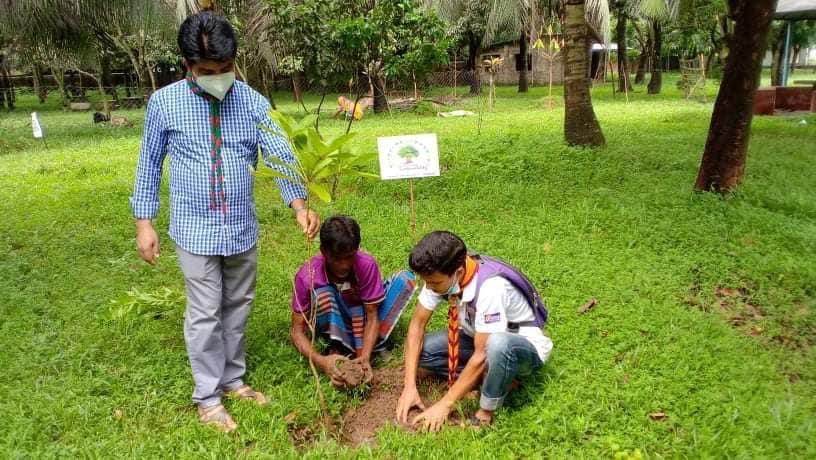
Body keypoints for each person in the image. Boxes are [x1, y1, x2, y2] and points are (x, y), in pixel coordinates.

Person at [130, 11, 319, 432]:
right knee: (204, 312)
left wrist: (299, 205)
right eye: (207, 72)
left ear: (235, 62)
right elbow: (148, 166)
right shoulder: (164, 103)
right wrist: (145, 222)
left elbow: (280, 155)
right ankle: (208, 398)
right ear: (188, 67)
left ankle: (233, 380)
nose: (218, 77)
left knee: (237, 305)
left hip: (241, 228)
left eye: (225, 69)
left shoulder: (251, 101)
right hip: (194, 230)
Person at [396, 231, 553, 431]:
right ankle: (490, 377)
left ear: (458, 273)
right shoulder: (440, 274)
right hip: (477, 336)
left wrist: (444, 405)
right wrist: (409, 387)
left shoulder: (491, 288)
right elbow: (416, 326)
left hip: (519, 345)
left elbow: (482, 354)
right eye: (427, 281)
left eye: (434, 283)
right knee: (424, 350)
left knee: (497, 345)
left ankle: (485, 413)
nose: (429, 287)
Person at [290, 215, 416, 387]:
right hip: (333, 317)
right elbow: (297, 331)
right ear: (323, 251)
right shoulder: (308, 276)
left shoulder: (366, 264)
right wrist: (321, 361)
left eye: (349, 257)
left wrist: (365, 357)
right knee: (322, 293)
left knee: (404, 281)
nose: (344, 265)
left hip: (360, 318)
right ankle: (337, 344)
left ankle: (364, 349)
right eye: (337, 258)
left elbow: (373, 315)